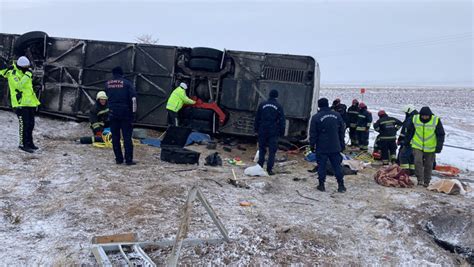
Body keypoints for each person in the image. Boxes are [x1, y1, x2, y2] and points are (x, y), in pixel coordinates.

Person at [0, 56, 40, 153]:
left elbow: (27, 88)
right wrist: (27, 75)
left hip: (30, 103)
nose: (27, 68)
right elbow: (18, 86)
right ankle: (23, 144)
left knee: (31, 124)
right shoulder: (12, 73)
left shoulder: (24, 72)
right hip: (20, 104)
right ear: (20, 66)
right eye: (26, 67)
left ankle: (30, 143)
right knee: (24, 125)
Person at [310, 98, 346, 192]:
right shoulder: (337, 115)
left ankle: (321, 185)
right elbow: (342, 131)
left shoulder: (316, 117)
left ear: (319, 106)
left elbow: (313, 133)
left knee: (321, 166)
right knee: (337, 166)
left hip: (322, 146)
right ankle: (341, 185)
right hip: (335, 145)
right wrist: (342, 144)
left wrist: (312, 145)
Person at [405, 106, 445, 187]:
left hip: (430, 147)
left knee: (429, 164)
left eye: (426, 116)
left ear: (430, 115)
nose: (424, 117)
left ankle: (427, 181)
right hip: (417, 145)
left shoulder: (436, 120)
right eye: (423, 116)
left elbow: (441, 134)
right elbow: (410, 131)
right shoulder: (415, 119)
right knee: (417, 161)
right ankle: (420, 179)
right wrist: (406, 141)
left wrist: (439, 146)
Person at [105, 66, 137, 165]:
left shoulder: (107, 84)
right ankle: (128, 160)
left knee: (115, 137)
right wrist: (134, 114)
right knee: (127, 137)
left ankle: (118, 159)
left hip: (112, 112)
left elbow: (106, 97)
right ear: (122, 73)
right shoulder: (127, 83)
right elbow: (134, 99)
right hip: (125, 113)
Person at [254, 89, 285, 175]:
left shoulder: (262, 104)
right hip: (273, 130)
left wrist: (256, 129)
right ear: (277, 96)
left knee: (262, 149)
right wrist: (281, 132)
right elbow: (282, 120)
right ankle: (269, 169)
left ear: (269, 95)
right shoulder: (278, 106)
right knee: (272, 151)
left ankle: (259, 167)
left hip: (262, 129)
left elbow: (257, 118)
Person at [397, 104, 418, 175]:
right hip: (417, 142)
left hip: (410, 141)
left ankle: (404, 171)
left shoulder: (410, 119)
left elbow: (406, 132)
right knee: (412, 156)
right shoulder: (417, 117)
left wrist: (403, 141)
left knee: (403, 155)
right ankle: (412, 171)